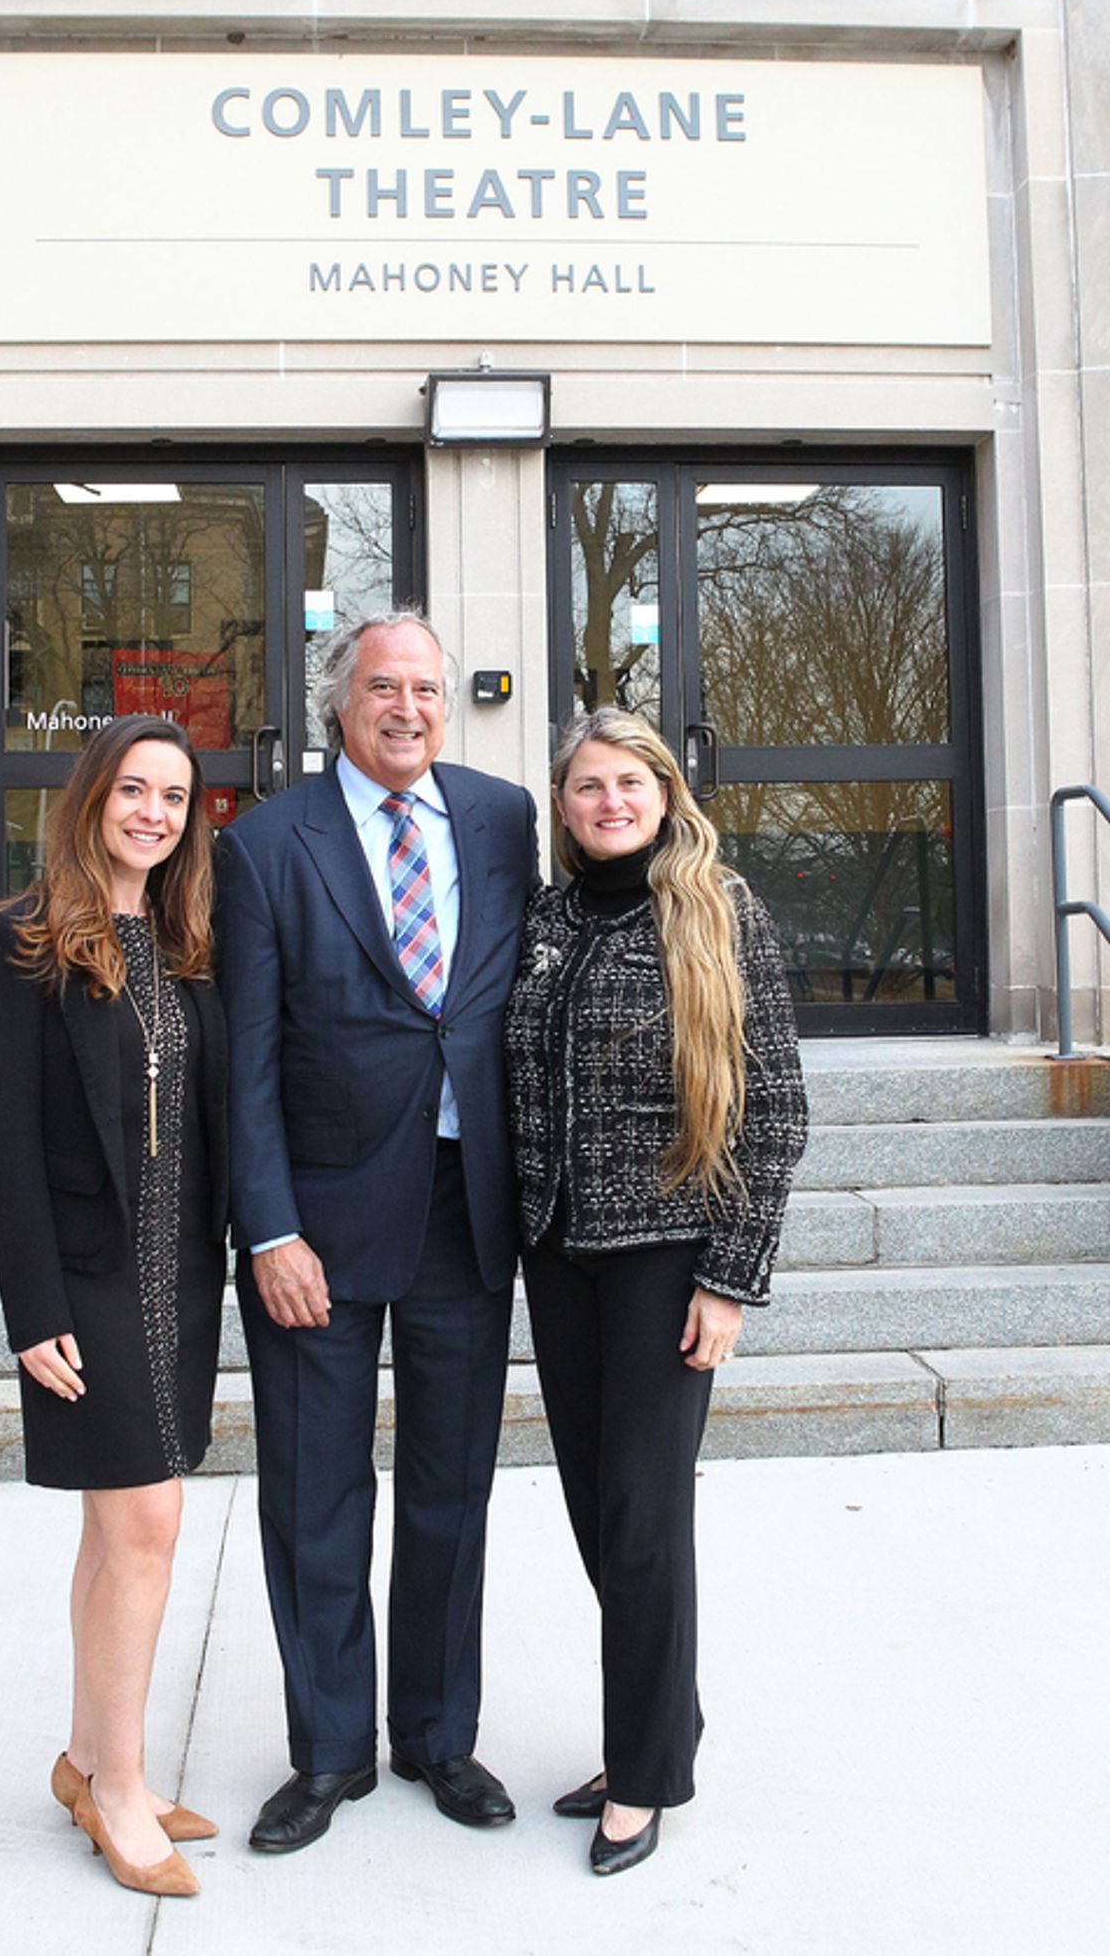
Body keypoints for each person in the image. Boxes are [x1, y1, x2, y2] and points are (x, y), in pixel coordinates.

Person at [215, 608, 539, 1854]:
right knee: (315, 1491)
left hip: (467, 1209)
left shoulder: (503, 819)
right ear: (337, 704)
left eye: (426, 688)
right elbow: (245, 1063)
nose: (407, 707)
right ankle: (331, 1748)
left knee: (453, 1488)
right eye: (382, 687)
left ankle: (437, 1736)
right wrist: (269, 1229)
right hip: (320, 1228)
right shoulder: (262, 845)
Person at [504, 705, 807, 1876]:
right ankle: (657, 1719)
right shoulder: (546, 918)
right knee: (598, 1511)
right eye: (585, 786)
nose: (607, 802)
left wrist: (728, 1278)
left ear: (665, 791)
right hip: (555, 1250)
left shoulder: (719, 914)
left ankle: (643, 1772)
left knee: (639, 1517)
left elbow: (769, 1110)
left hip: (664, 1258)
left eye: (627, 781)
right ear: (565, 805)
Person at [0, 713, 228, 1900]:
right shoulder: (23, 939)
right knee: (146, 1529)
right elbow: (8, 1143)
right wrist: (32, 1307)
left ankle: (85, 1759)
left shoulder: (185, 938)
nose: (153, 813)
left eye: (174, 798)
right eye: (134, 789)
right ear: (91, 795)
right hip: (88, 1274)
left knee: (109, 1531)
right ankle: (120, 1791)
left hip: (181, 1272)